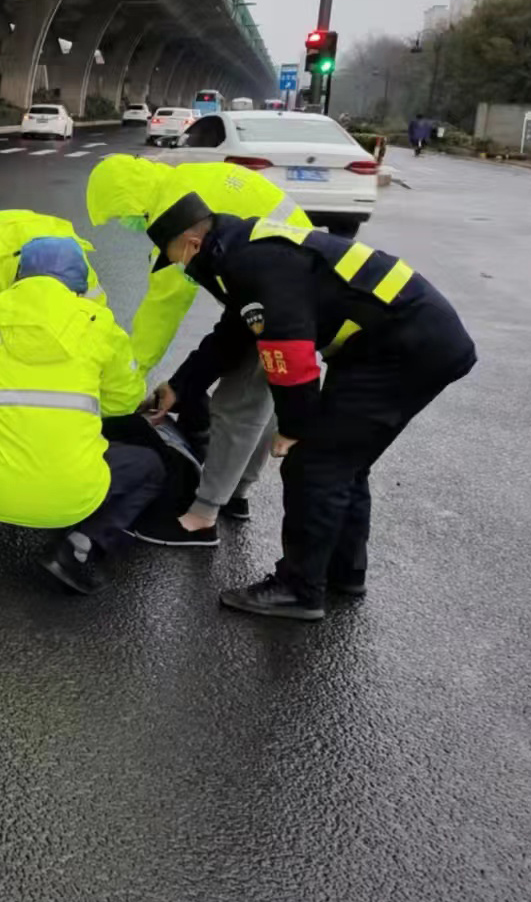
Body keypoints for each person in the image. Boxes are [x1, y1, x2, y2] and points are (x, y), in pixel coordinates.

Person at [149, 197, 476, 621]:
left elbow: (287, 350)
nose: (178, 267)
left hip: (403, 346)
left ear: (192, 243)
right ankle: (343, 571)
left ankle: (299, 589)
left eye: (174, 257)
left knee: (314, 464)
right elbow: (234, 334)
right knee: (343, 463)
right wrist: (179, 387)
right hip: (398, 339)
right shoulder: (245, 247)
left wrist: (294, 427)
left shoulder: (250, 263)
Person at [0, 236, 162, 595]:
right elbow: (124, 401)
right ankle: (78, 548)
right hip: (72, 496)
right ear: (78, 284)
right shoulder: (102, 329)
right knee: (149, 466)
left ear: (19, 277)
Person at [85, 155, 311, 546]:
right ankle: (236, 493)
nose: (127, 224)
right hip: (288, 279)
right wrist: (181, 384)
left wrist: (131, 377)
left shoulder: (175, 212)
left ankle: (202, 517)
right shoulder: (185, 182)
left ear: (132, 197)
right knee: (261, 398)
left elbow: (164, 307)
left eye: (123, 215)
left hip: (278, 298)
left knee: (237, 404)